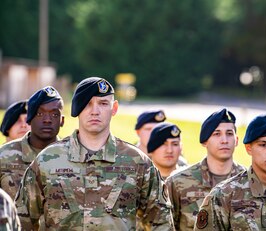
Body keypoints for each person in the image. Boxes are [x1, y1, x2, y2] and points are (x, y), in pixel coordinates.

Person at [15, 77, 173, 230]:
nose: (95, 111)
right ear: (77, 108)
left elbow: (161, 222)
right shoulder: (46, 161)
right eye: (88, 104)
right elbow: (21, 221)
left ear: (114, 108)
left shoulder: (137, 162)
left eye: (103, 103)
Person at [166, 108, 246, 230]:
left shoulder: (249, 181)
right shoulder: (178, 182)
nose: (224, 140)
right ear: (204, 141)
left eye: (229, 134)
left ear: (236, 140)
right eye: (217, 134)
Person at [0, 86, 64, 199]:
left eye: (54, 115)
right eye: (39, 114)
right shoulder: (4, 156)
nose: (47, 120)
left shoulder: (73, 156)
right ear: (29, 119)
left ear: (62, 121)